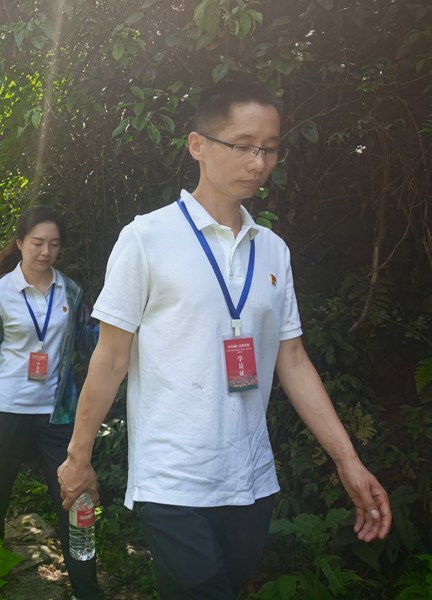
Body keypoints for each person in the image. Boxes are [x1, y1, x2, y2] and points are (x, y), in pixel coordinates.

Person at [57, 80, 392, 599]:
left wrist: (348, 460)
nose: (258, 162)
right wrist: (79, 456)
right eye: (242, 146)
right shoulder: (146, 238)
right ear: (198, 145)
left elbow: (293, 360)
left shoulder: (273, 250)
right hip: (173, 481)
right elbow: (111, 358)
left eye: (269, 149)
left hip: (251, 480)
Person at [0, 206, 103, 600]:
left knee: (74, 498)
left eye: (54, 244)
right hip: (7, 408)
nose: (46, 252)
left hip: (57, 412)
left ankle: (87, 590)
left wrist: (125, 328)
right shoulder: (0, 293)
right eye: (37, 243)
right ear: (20, 243)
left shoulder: (70, 291)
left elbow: (87, 342)